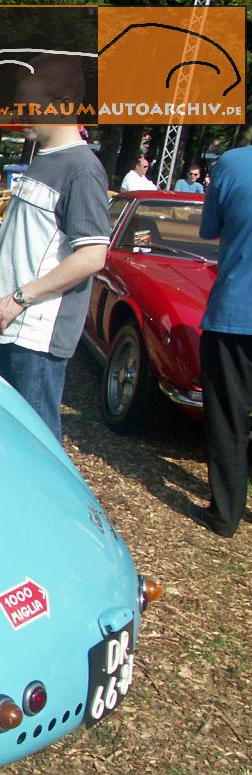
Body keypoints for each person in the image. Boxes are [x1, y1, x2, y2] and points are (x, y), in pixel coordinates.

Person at [0, 54, 110, 439]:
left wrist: (19, 298)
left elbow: (92, 255)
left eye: (29, 103)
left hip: (34, 336)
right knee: (5, 439)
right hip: (7, 323)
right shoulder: (43, 158)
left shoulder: (82, 169)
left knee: (35, 446)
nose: (21, 113)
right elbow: (44, 242)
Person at [188, 146, 252, 537]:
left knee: (229, 417)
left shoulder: (232, 163)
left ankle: (226, 514)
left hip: (236, 311)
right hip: (234, 311)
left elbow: (209, 229)